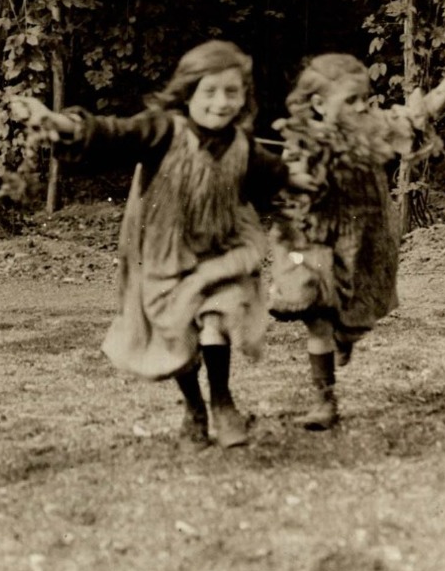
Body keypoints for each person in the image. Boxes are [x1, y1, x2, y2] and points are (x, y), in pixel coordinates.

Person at [15, 41, 286, 449]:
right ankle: (194, 407)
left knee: (217, 319)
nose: (221, 102)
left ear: (244, 96)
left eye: (232, 92)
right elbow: (115, 133)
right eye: (209, 91)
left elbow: (280, 180)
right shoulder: (164, 130)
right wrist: (65, 124)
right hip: (166, 256)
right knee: (177, 337)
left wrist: (316, 172)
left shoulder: (244, 148)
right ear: (189, 93)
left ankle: (224, 403)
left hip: (222, 253)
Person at [270, 53, 445, 429]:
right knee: (318, 314)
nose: (361, 107)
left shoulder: (373, 125)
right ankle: (325, 400)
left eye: (365, 99)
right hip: (315, 234)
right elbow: (290, 178)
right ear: (319, 104)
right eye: (350, 100)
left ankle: (348, 334)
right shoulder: (304, 137)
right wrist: (304, 174)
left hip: (364, 230)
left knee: (357, 307)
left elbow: (412, 120)